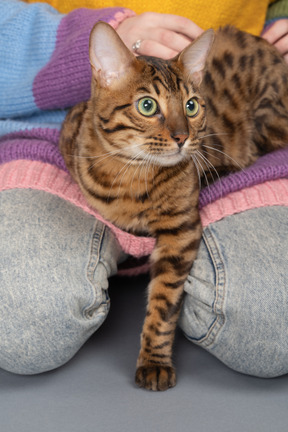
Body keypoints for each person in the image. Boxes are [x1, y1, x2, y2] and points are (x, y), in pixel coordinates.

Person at [0, 0, 288, 377]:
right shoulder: (82, 140)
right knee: (24, 328)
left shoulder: (186, 140)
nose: (178, 133)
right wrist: (91, 36)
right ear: (102, 73)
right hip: (43, 124)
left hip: (223, 140)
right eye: (148, 106)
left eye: (189, 110)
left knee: (271, 331)